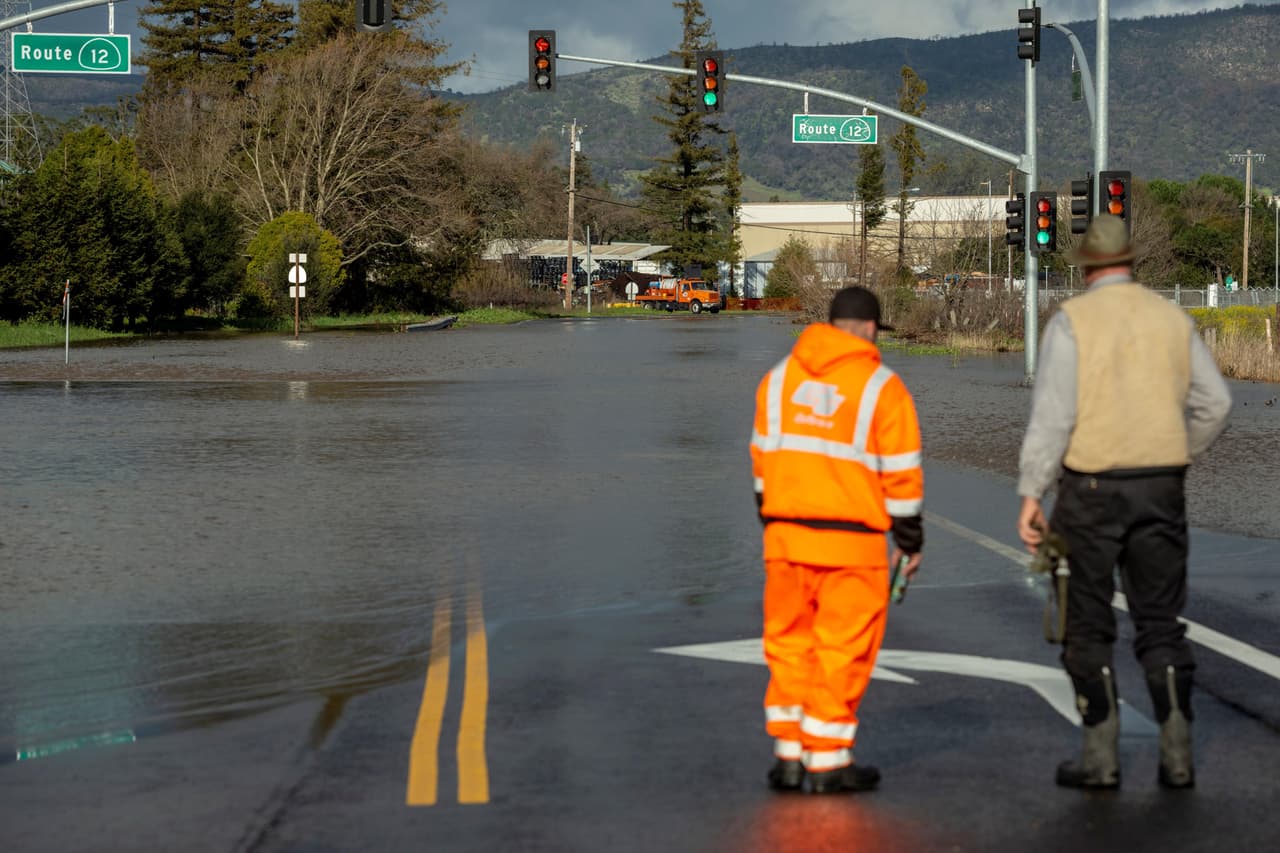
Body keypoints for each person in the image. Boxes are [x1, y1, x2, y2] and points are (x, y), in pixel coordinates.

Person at [1016, 214, 1232, 790]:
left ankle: (1100, 757)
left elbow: (1053, 419)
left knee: (1086, 622)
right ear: (1133, 261)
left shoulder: (1072, 323)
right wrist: (1176, 452)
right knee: (1160, 620)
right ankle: (1178, 751)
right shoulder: (1172, 318)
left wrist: (1031, 493)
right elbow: (1216, 403)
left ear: (1085, 267)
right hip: (1161, 486)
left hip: (1091, 489)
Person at [750, 286, 925, 794]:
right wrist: (909, 543)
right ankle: (827, 759)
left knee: (787, 645)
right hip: (854, 545)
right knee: (842, 649)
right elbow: (902, 477)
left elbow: (762, 463)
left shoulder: (778, 380)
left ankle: (788, 755)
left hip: (784, 538)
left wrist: (775, 526)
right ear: (872, 329)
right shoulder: (881, 386)